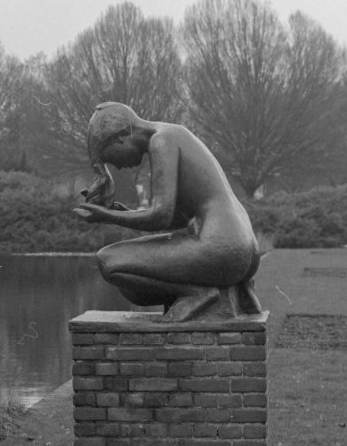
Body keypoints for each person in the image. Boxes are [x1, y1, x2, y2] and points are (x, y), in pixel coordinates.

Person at [74, 102, 262, 321]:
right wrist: (124, 212)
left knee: (108, 262)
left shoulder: (162, 141)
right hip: (243, 249)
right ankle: (220, 292)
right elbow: (177, 217)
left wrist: (105, 216)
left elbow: (160, 217)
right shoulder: (174, 133)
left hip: (221, 248)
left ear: (121, 137)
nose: (116, 165)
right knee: (131, 287)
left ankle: (199, 295)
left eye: (110, 157)